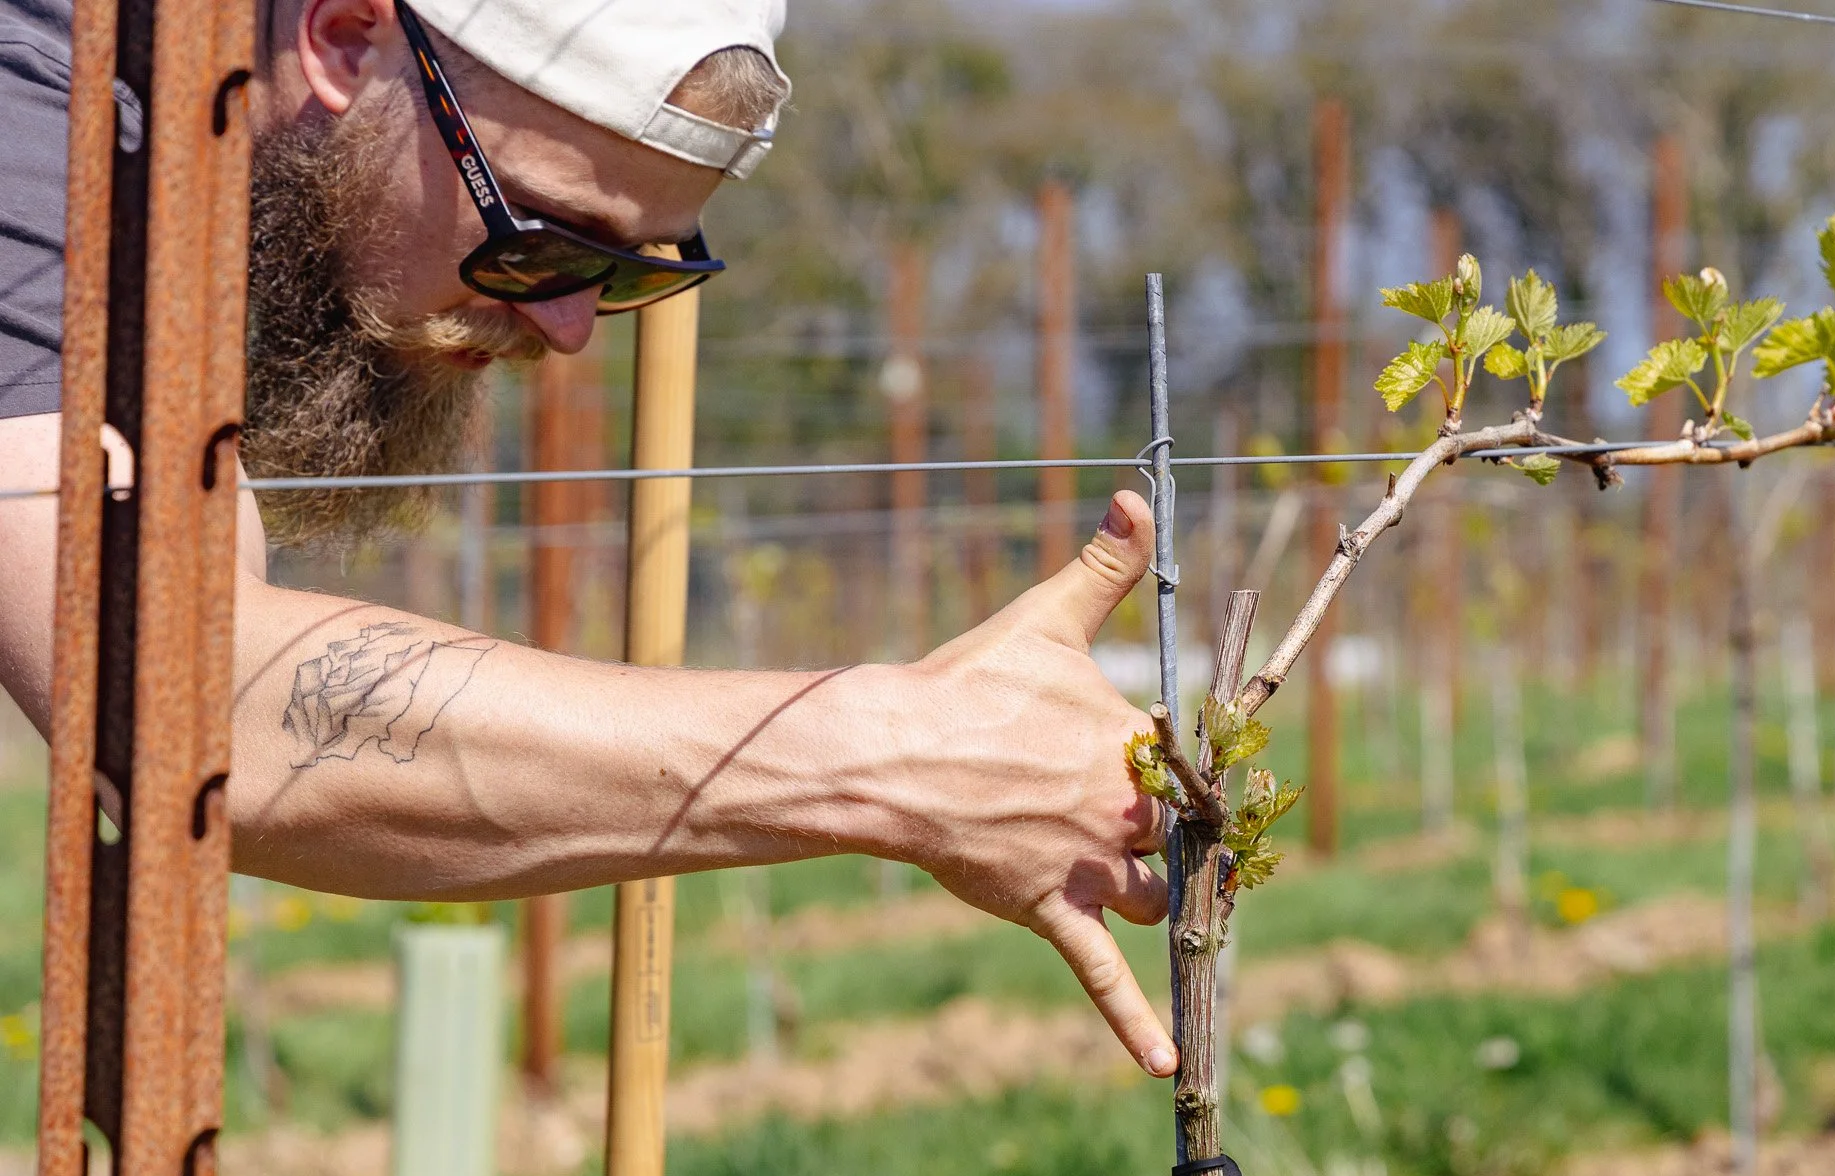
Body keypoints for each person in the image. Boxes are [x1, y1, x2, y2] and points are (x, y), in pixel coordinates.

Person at [0, 0, 1180, 1078]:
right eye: (544, 239)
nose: (565, 330)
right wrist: (894, 754)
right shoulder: (45, 97)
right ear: (348, 38)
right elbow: (184, 690)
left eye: (626, 273)